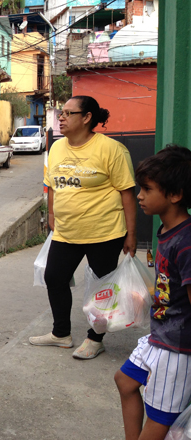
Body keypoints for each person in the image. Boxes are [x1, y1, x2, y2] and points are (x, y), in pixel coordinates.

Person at [29, 95, 137, 360]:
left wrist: (132, 234)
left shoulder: (112, 149)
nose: (61, 118)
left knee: (102, 288)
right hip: (66, 232)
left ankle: (95, 338)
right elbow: (52, 185)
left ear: (87, 118)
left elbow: (127, 192)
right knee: (54, 277)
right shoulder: (56, 147)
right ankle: (61, 334)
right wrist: (51, 216)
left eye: (68, 113)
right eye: (61, 113)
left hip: (105, 233)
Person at [115, 145, 191, 440]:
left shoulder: (186, 242)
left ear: (174, 195)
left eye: (147, 189)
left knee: (158, 421)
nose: (139, 196)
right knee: (125, 381)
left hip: (177, 348)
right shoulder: (167, 230)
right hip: (161, 334)